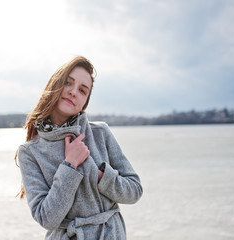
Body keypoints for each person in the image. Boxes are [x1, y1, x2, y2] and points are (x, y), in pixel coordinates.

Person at [16, 56, 143, 239]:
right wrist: (69, 166)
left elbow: (134, 191)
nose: (73, 92)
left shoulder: (100, 133)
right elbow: (47, 219)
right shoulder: (30, 152)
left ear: (85, 102)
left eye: (83, 91)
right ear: (55, 84)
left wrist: (100, 175)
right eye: (68, 83)